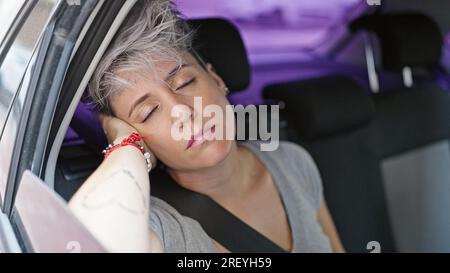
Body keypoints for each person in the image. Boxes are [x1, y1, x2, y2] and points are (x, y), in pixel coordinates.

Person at [68, 0, 344, 253]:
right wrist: (124, 146)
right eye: (149, 111)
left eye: (185, 83)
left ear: (215, 78)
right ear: (138, 136)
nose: (182, 112)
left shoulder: (292, 163)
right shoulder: (160, 227)